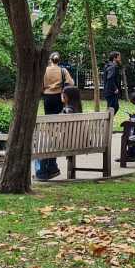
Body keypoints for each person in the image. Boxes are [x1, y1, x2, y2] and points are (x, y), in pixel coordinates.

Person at [36, 52, 75, 180]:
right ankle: (55, 135)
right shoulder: (63, 70)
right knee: (58, 119)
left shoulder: (45, 70)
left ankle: (51, 135)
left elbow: (40, 85)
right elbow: (71, 83)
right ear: (59, 60)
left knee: (49, 120)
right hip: (59, 97)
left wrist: (45, 89)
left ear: (50, 60)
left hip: (47, 97)